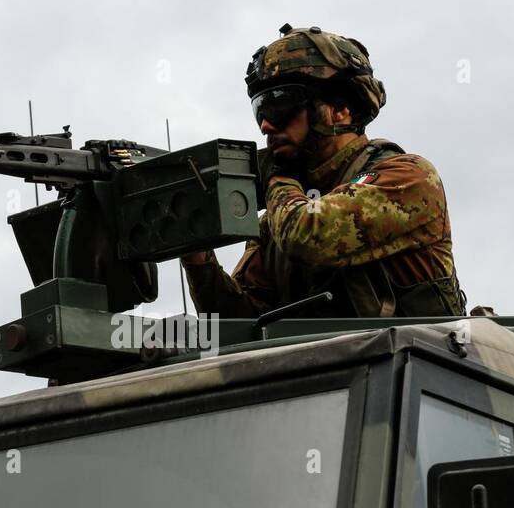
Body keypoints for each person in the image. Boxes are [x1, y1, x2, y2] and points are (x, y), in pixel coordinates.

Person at [183, 24, 466, 319]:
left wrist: (276, 178)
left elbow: (307, 236)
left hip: (412, 359)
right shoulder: (277, 219)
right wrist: (196, 253)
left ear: (339, 109)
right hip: (321, 363)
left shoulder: (409, 178)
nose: (267, 125)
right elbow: (239, 324)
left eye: (280, 104)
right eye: (260, 110)